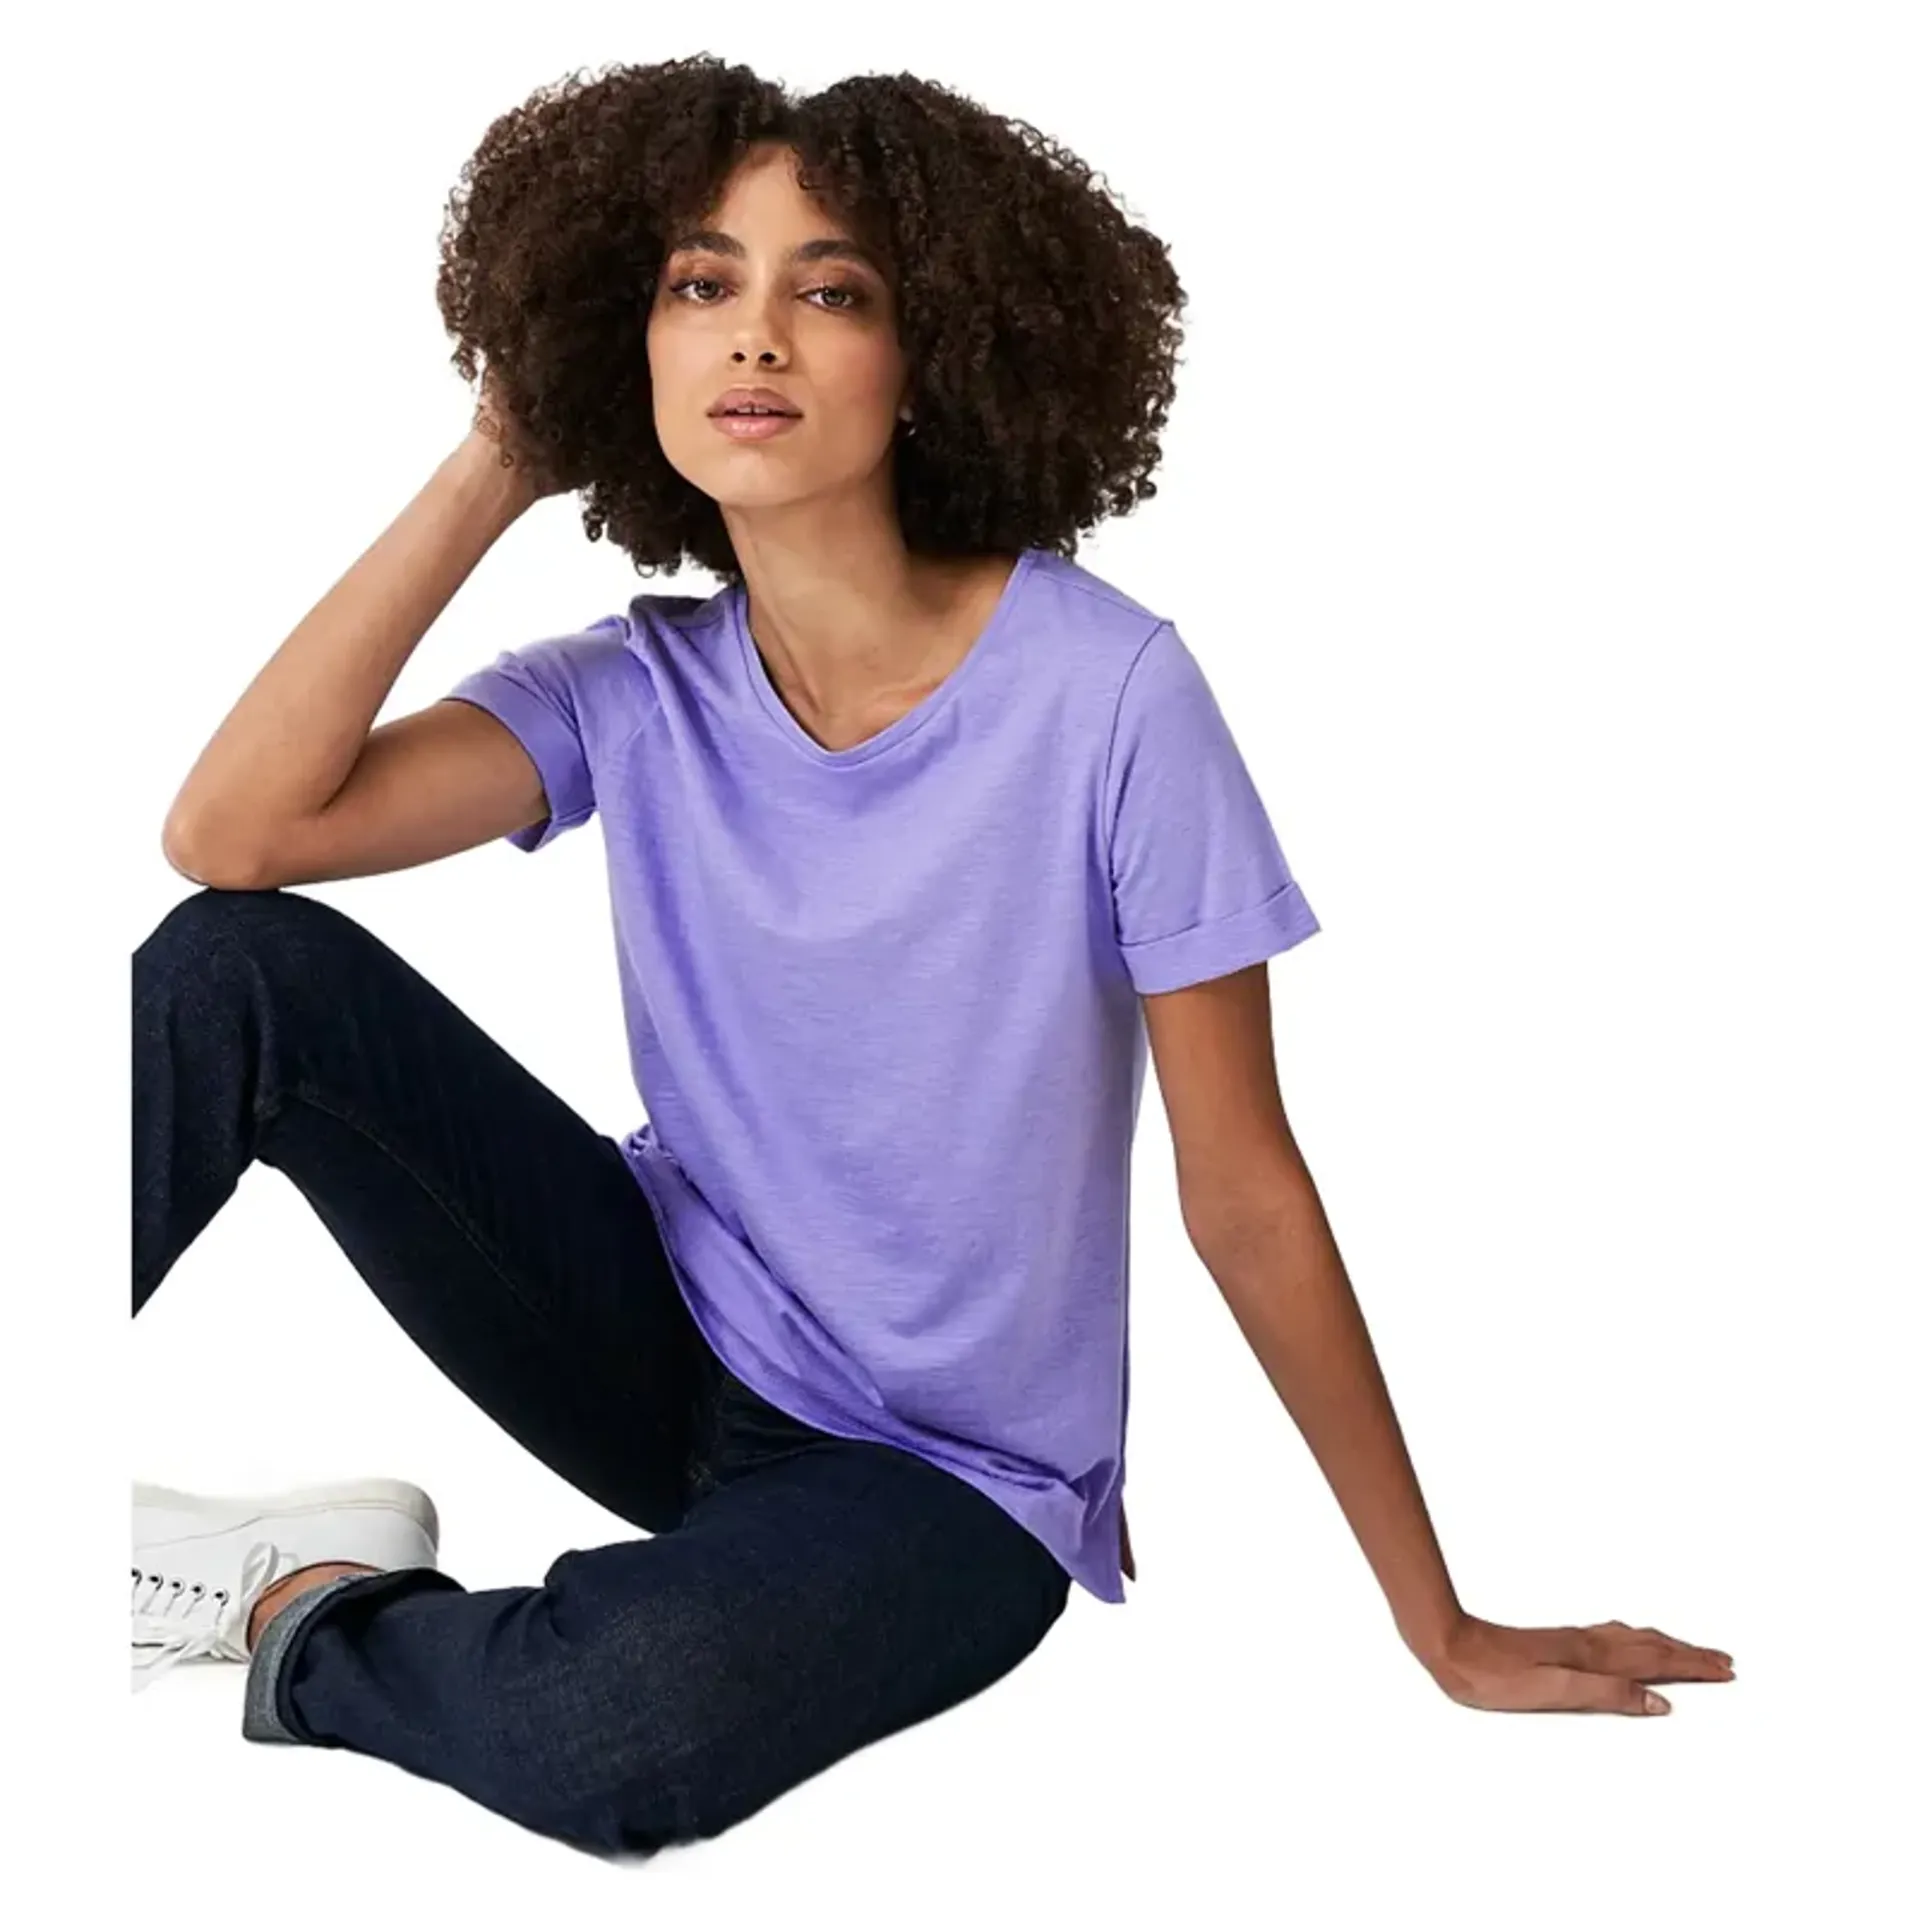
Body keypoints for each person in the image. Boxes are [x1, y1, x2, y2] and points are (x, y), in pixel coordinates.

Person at [131, 57, 1735, 1862]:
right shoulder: (632, 689)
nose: (757, 335)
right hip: (660, 1338)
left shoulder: (1111, 696)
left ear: (934, 356)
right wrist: (502, 454)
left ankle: (306, 1610)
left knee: (620, 1731)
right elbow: (234, 841)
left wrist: (1435, 1622)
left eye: (830, 292)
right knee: (233, 970)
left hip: (953, 1484)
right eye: (699, 283)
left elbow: (1246, 1189)